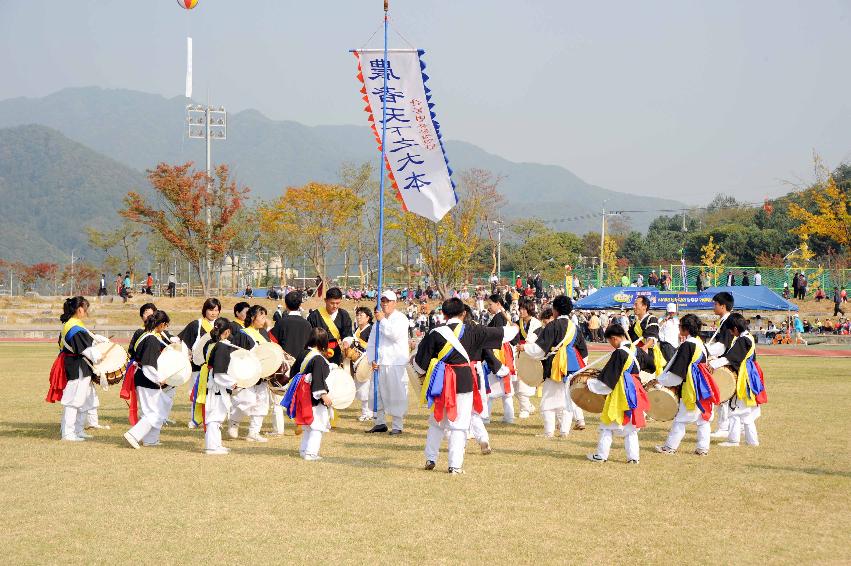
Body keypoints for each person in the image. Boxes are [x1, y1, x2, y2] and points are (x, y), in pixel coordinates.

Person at [413, 297, 518, 474]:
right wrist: (515, 327)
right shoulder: (474, 330)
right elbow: (504, 334)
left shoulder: (435, 332)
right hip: (464, 379)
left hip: (441, 380)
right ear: (463, 313)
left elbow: (419, 365)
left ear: (444, 314)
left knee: (437, 421)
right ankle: (455, 465)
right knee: (460, 424)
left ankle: (430, 457)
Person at [519, 295, 588, 437]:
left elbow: (539, 350)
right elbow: (583, 351)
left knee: (548, 399)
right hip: (571, 366)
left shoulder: (552, 326)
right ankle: (564, 431)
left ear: (555, 310)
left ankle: (549, 432)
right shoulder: (574, 328)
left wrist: (525, 348)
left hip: (554, 366)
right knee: (567, 400)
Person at [653, 314, 718, 456]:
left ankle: (670, 447)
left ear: (686, 329)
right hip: (703, 387)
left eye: (680, 325)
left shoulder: (688, 345)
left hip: (692, 387)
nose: (678, 328)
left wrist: (661, 381)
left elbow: (677, 375)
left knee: (681, 419)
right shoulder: (700, 344)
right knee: (703, 419)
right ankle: (702, 448)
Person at [46, 297, 109, 441]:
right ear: (79, 309)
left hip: (80, 365)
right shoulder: (74, 328)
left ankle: (78, 430)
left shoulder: (73, 324)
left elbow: (86, 342)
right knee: (73, 399)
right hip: (77, 366)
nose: (86, 312)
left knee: (84, 400)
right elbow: (86, 350)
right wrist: (101, 355)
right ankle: (68, 433)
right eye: (85, 308)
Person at [585, 324, 649, 463]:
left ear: (614, 339)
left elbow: (607, 381)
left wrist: (589, 384)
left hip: (620, 393)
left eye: (610, 342)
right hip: (634, 392)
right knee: (631, 429)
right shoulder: (636, 350)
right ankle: (633, 458)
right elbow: (652, 365)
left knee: (607, 427)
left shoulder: (620, 353)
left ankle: (601, 455)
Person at [123, 310, 179, 449]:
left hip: (144, 377)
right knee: (154, 412)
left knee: (156, 409)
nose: (165, 329)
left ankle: (150, 440)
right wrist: (159, 379)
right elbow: (148, 365)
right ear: (161, 324)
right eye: (165, 326)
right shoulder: (151, 339)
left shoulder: (146, 336)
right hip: (147, 378)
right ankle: (134, 435)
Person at [709, 313, 766, 447]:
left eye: (731, 330)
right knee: (745, 413)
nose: (731, 333)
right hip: (748, 375)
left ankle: (733, 440)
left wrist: (713, 364)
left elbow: (731, 358)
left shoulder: (742, 340)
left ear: (735, 328)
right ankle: (752, 441)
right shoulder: (747, 337)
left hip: (743, 377)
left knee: (735, 411)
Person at [284, 327, 334, 460]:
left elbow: (294, 373)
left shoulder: (302, 353)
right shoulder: (318, 359)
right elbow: (318, 379)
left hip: (301, 394)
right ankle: (311, 453)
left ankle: (303, 450)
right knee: (317, 425)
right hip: (313, 397)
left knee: (307, 426)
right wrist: (324, 395)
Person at [364, 291, 411, 435]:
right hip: (379, 362)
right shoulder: (377, 322)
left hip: (395, 362)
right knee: (377, 393)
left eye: (388, 301)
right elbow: (371, 342)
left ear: (394, 303)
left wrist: (382, 320)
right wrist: (372, 359)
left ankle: (397, 425)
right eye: (382, 300)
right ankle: (380, 422)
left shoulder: (401, 319)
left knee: (396, 394)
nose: (385, 303)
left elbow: (394, 335)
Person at [269, 291, 313, 435]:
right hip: (301, 366)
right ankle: (300, 424)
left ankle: (278, 430)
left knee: (277, 399)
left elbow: (272, 342)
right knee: (300, 397)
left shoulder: (281, 322)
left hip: (283, 366)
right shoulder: (307, 324)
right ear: (300, 304)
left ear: (286, 305)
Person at [228, 305, 273, 442]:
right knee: (246, 401)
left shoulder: (264, 334)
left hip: (263, 375)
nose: (264, 319)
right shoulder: (243, 334)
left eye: (265, 316)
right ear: (253, 317)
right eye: (262, 316)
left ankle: (254, 432)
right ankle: (234, 422)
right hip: (247, 374)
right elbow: (236, 355)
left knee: (262, 404)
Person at [180, 298, 222, 428]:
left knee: (214, 394)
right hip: (197, 366)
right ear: (205, 310)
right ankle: (195, 419)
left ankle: (214, 420)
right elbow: (183, 342)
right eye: (211, 309)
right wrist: (187, 354)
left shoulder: (222, 325)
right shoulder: (196, 325)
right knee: (195, 392)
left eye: (216, 310)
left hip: (215, 367)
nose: (213, 313)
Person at [201, 318, 237, 455]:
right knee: (214, 417)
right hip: (217, 386)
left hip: (214, 384)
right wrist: (232, 383)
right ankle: (211, 447)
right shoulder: (221, 347)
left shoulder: (211, 344)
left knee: (216, 416)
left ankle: (216, 445)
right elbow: (219, 373)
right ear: (227, 332)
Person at [118, 302, 157, 426]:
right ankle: (145, 420)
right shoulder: (141, 332)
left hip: (156, 369)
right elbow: (132, 350)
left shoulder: (158, 332)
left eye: (151, 312)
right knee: (145, 398)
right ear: (142, 316)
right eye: (146, 312)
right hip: (143, 368)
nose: (149, 314)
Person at [706, 291, 736, 438]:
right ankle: (731, 426)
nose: (713, 306)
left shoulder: (729, 322)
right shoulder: (725, 321)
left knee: (723, 394)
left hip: (728, 362)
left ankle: (724, 427)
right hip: (726, 361)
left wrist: (705, 350)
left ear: (723, 306)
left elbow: (722, 346)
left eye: (715, 304)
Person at [484, 293, 515, 424]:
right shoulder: (505, 316)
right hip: (505, 352)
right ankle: (509, 417)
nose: (488, 307)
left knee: (491, 388)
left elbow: (494, 334)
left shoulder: (499, 317)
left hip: (498, 351)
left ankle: (485, 417)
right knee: (506, 389)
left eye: (490, 304)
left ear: (498, 304)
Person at [511, 298, 541, 419]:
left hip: (530, 355)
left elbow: (534, 339)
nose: (521, 311)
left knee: (523, 383)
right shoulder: (518, 322)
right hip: (517, 354)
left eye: (524, 309)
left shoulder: (536, 323)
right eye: (520, 309)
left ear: (530, 310)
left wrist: (525, 346)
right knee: (514, 384)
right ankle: (528, 406)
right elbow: (513, 338)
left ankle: (525, 409)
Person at [306, 287, 353, 366]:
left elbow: (348, 333)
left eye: (337, 303)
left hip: (336, 353)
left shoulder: (343, 315)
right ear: (325, 300)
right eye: (332, 303)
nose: (335, 306)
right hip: (318, 353)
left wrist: (346, 342)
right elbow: (309, 336)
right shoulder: (314, 315)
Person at [343, 306, 374, 421]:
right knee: (362, 387)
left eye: (362, 315)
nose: (359, 317)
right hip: (357, 361)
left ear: (368, 318)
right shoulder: (357, 330)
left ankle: (368, 413)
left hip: (367, 360)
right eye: (358, 315)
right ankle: (367, 412)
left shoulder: (371, 329)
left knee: (366, 387)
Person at [628, 296, 666, 376]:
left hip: (648, 356)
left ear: (644, 306)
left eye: (636, 304)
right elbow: (628, 337)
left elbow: (651, 338)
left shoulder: (651, 319)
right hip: (638, 355)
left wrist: (642, 350)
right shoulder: (636, 323)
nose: (633, 307)